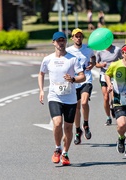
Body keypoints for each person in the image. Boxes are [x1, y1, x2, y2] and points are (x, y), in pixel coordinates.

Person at [38, 31, 86, 165]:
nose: (61, 42)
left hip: (70, 97)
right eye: (58, 40)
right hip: (54, 96)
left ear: (66, 42)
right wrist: (41, 90)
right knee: (58, 123)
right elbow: (41, 74)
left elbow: (82, 76)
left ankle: (65, 153)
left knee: (68, 128)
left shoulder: (72, 59)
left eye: (63, 40)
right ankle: (57, 148)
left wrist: (74, 79)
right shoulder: (48, 59)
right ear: (53, 42)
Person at [66, 28, 96, 145]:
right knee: (76, 108)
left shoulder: (88, 49)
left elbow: (93, 57)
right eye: (76, 36)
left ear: (82, 37)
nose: (78, 38)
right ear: (72, 38)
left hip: (86, 79)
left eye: (80, 36)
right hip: (75, 81)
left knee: (84, 102)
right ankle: (78, 130)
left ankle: (86, 124)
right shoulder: (68, 51)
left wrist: (92, 64)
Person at [95, 44, 123, 126]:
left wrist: (116, 63)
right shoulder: (100, 51)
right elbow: (96, 64)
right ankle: (108, 117)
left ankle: (114, 109)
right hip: (104, 75)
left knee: (113, 97)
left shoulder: (117, 49)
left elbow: (122, 61)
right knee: (106, 97)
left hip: (114, 75)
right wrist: (101, 65)